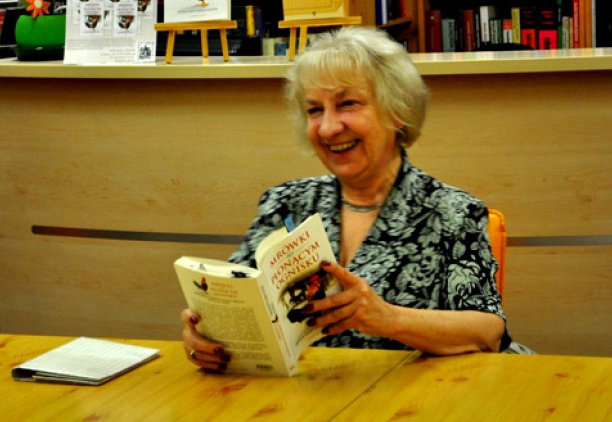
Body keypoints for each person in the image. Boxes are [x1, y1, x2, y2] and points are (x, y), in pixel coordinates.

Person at [182, 26, 529, 372]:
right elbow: (233, 296)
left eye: (347, 104)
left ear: (397, 110)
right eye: (314, 110)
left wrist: (387, 318)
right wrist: (206, 335)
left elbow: (489, 331)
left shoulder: (452, 212)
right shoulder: (285, 204)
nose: (329, 128)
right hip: (302, 395)